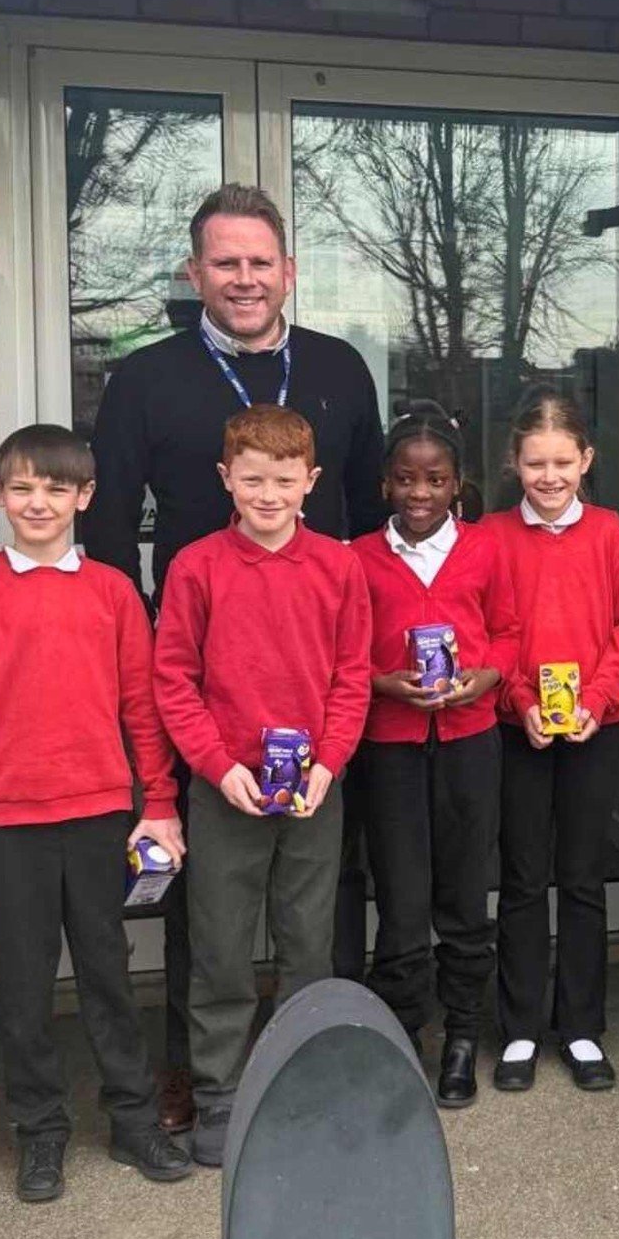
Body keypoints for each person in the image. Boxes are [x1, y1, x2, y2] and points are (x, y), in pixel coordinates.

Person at [83, 182, 385, 1131]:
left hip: (318, 673)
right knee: (204, 908)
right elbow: (101, 530)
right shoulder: (144, 379)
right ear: (196, 273)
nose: (245, 279)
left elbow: (371, 519)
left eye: (260, 262)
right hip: (206, 679)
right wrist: (134, 647)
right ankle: (198, 1075)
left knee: (318, 898)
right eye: (226, 262)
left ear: (286, 270)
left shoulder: (339, 369)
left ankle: (308, 1063)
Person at [0, 426, 192, 1202]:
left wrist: (162, 804)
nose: (36, 502)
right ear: (0, 498)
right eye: (21, 488)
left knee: (108, 973)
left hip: (100, 809)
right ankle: (39, 1130)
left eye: (54, 488)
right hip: (10, 820)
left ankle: (134, 1117)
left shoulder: (112, 589)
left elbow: (141, 709)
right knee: (21, 984)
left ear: (84, 497)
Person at [152, 404, 372, 1167]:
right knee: (219, 943)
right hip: (226, 790)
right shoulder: (197, 567)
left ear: (311, 481)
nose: (268, 494)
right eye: (252, 479)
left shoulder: (340, 568)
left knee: (309, 942)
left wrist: (329, 763)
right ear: (226, 479)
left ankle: (302, 1082)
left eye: (284, 479)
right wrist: (218, 765)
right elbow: (173, 680)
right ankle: (218, 1090)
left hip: (313, 790)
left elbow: (351, 679)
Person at [352, 402, 518, 1109]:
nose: (419, 493)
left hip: (469, 741)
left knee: (462, 894)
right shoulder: (357, 557)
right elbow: (343, 656)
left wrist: (485, 676)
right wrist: (380, 682)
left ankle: (459, 1034)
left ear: (458, 485)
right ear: (385, 483)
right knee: (399, 898)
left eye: (435, 479)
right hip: (389, 747)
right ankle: (403, 1033)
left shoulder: (486, 549)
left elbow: (508, 634)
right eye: (405, 479)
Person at [482, 392, 619, 1095]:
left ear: (585, 460)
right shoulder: (490, 535)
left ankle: (580, 1023)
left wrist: (597, 699)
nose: (548, 476)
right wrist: (519, 700)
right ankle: (519, 1026)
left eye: (561, 462)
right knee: (521, 878)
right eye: (534, 463)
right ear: (513, 463)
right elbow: (491, 632)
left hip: (591, 727)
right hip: (516, 728)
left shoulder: (610, 532)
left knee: (581, 877)